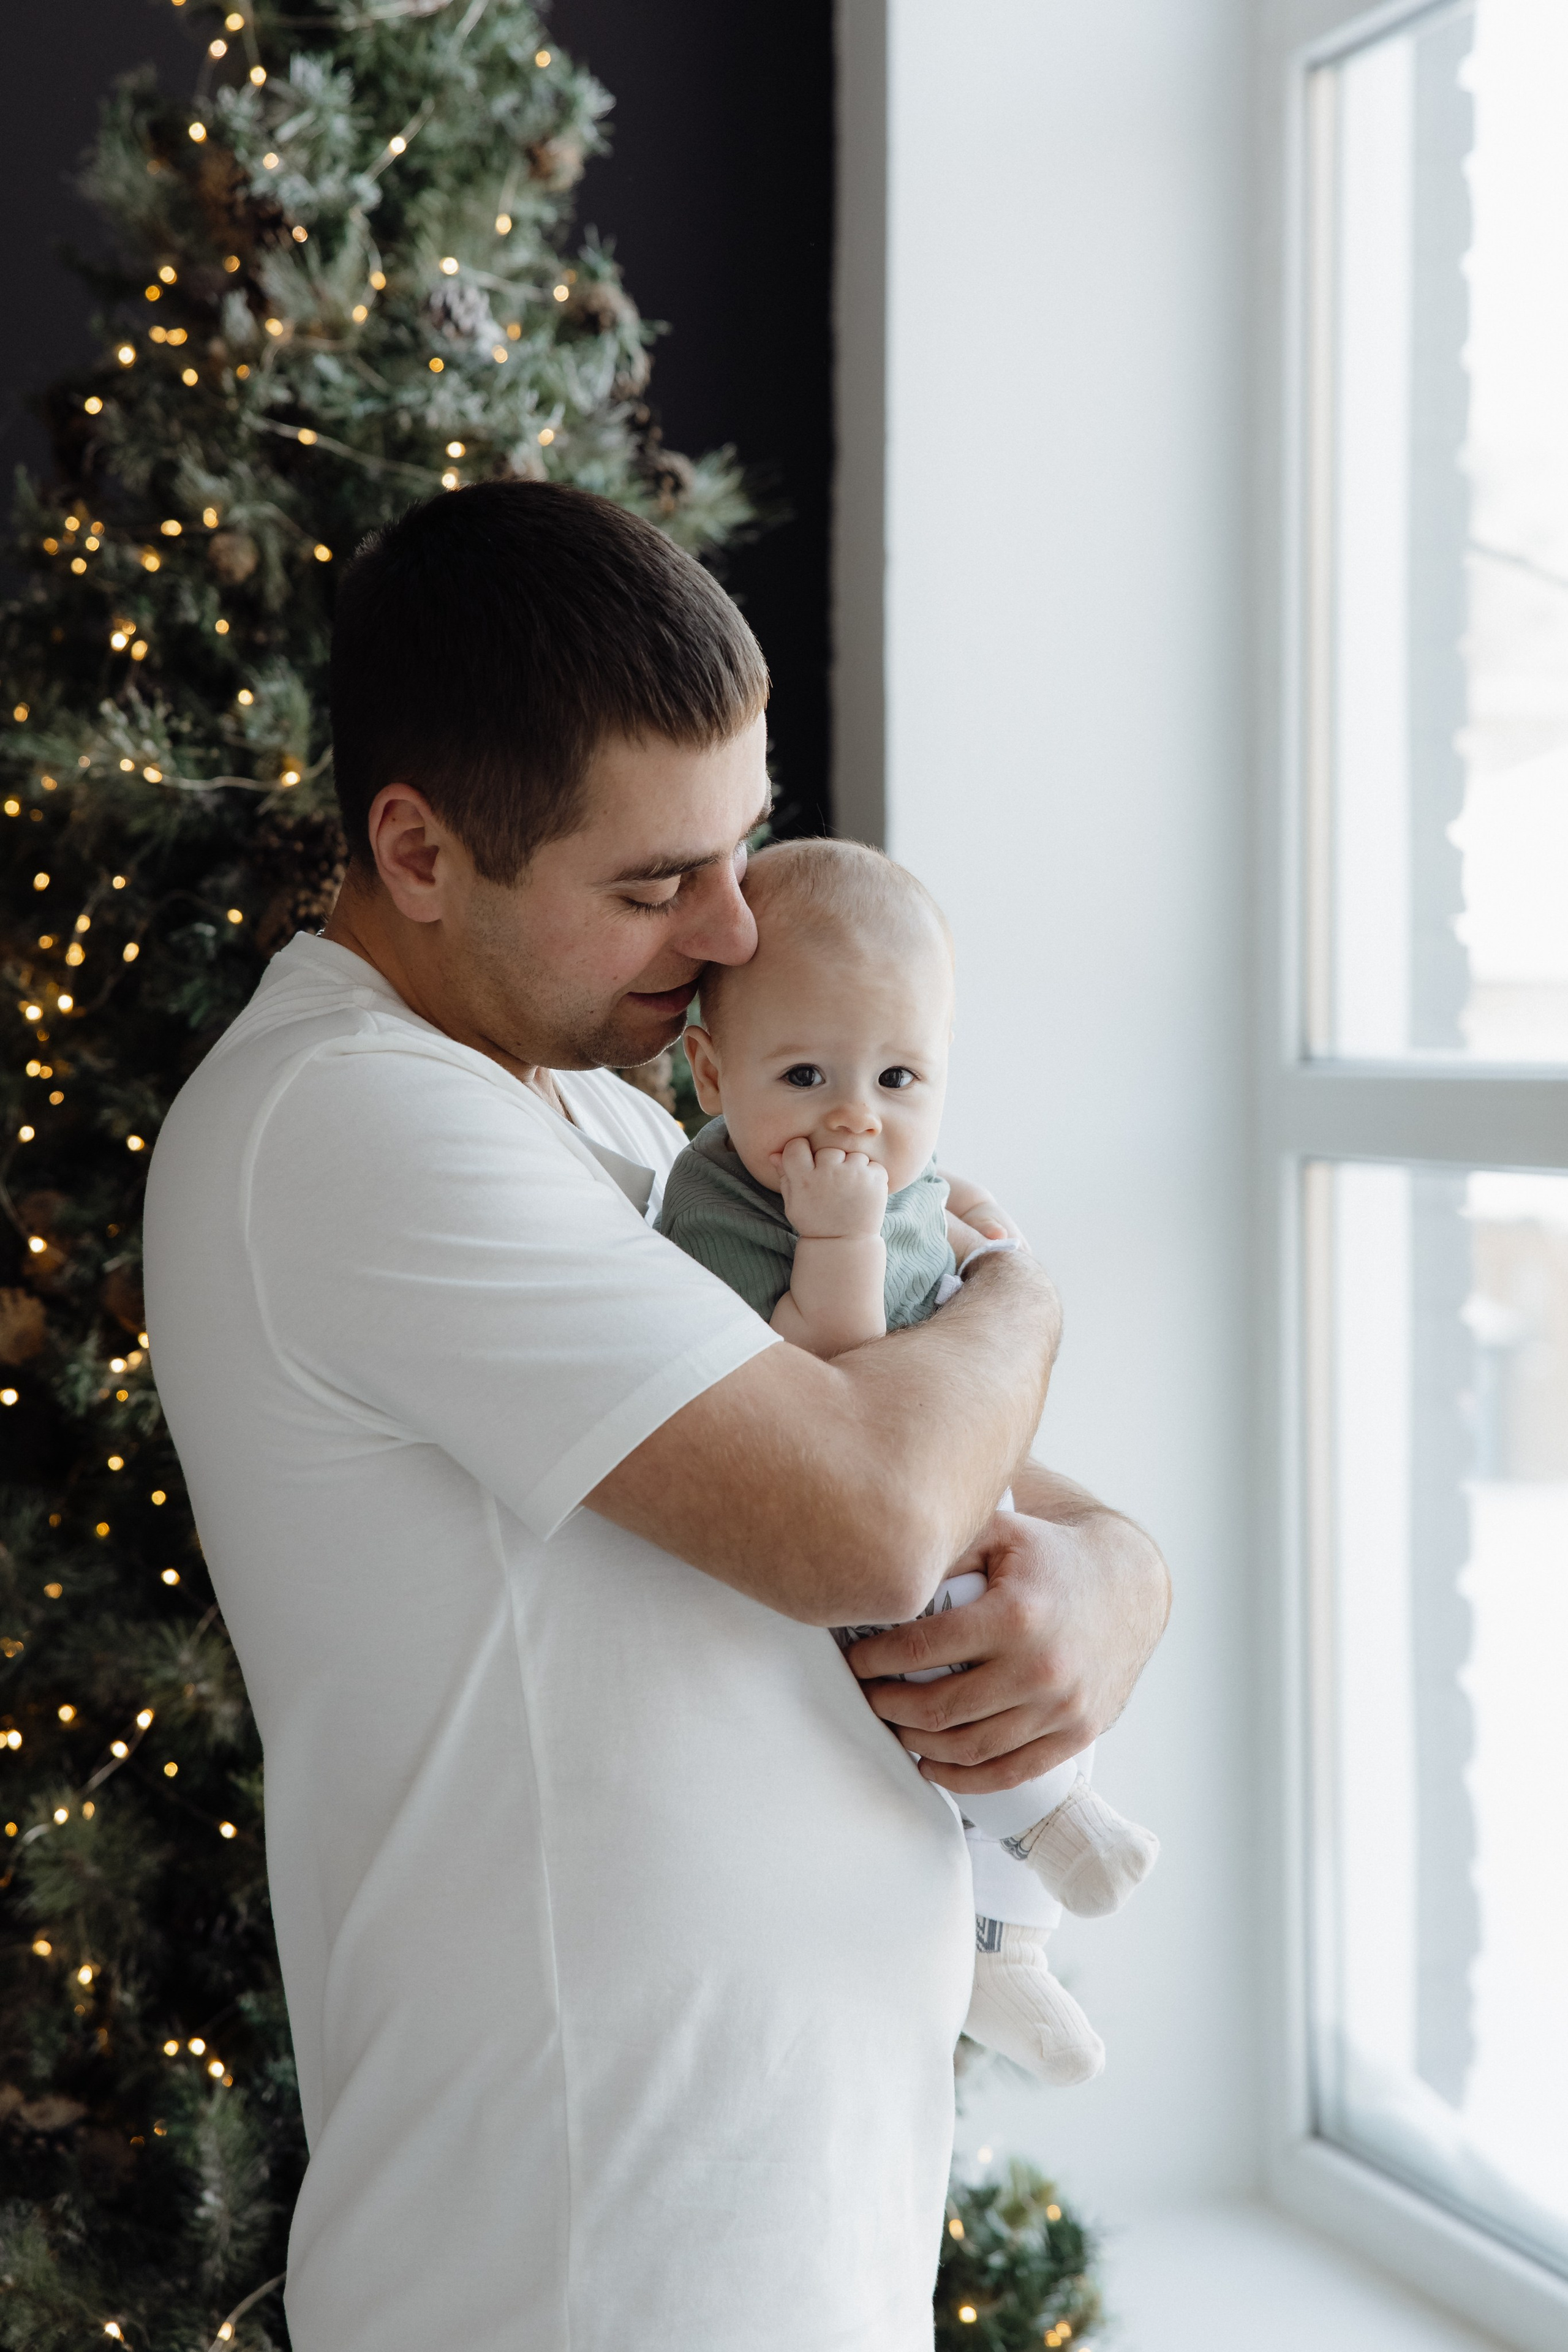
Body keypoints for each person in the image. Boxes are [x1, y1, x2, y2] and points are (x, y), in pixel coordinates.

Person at [143, 482, 1169, 2352]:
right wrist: (1031, 1295)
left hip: (775, 2225)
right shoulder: (351, 1124)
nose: (731, 929)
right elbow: (875, 1513)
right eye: (650, 884)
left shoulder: (612, 1113)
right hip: (576, 2258)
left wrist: (1118, 1586)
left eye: (741, 848)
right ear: (421, 847)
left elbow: (984, 1476)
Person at [658, 837, 1160, 2090]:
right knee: (949, 1674)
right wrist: (846, 1245)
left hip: (966, 1513)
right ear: (712, 1071)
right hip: (853, 1580)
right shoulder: (717, 1209)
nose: (853, 1117)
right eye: (805, 1073)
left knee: (1025, 1640)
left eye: (896, 1076)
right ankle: (1040, 1831)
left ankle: (1015, 1945)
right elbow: (835, 1397)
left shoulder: (914, 1182)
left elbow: (987, 1383)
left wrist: (997, 1274)